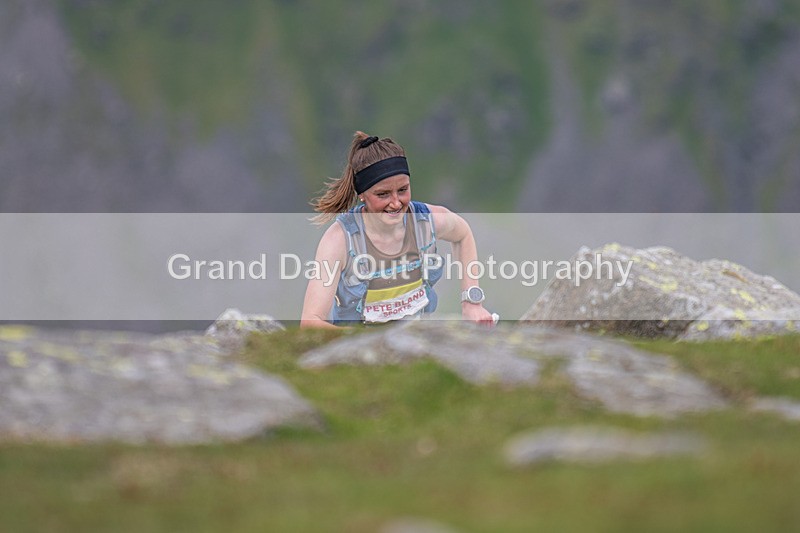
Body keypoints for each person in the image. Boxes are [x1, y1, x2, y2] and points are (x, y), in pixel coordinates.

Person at [300, 131, 495, 328]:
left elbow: (463, 234)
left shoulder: (427, 221)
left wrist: (472, 303)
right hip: (357, 353)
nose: (395, 203)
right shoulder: (340, 240)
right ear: (362, 194)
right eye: (383, 194)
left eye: (402, 190)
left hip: (414, 347)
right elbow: (310, 322)